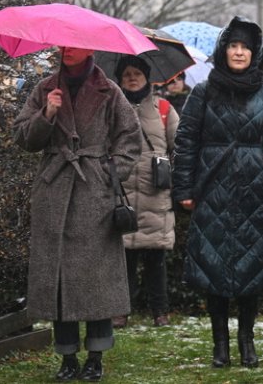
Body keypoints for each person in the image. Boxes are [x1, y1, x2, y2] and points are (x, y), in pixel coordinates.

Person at [13, 46, 141, 382]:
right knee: (59, 280)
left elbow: (130, 138)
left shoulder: (109, 91)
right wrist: (47, 113)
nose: (68, 49)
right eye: (63, 44)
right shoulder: (44, 89)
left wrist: (109, 172)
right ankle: (67, 358)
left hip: (94, 195)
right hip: (54, 192)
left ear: (89, 47)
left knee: (95, 281)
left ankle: (95, 357)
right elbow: (24, 138)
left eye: (74, 44)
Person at [172, 16, 263, 369]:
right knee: (213, 270)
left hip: (256, 192)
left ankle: (247, 339)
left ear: (254, 53)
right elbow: (185, 142)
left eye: (245, 47)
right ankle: (220, 343)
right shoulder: (203, 92)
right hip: (212, 191)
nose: (238, 52)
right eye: (233, 45)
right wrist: (184, 188)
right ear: (223, 50)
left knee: (255, 268)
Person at [111, 56, 179, 329]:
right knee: (123, 259)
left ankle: (160, 311)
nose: (131, 77)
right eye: (126, 73)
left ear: (147, 76)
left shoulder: (164, 108)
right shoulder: (112, 108)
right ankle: (120, 310)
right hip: (122, 192)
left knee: (156, 259)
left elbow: (180, 146)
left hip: (156, 194)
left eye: (137, 72)